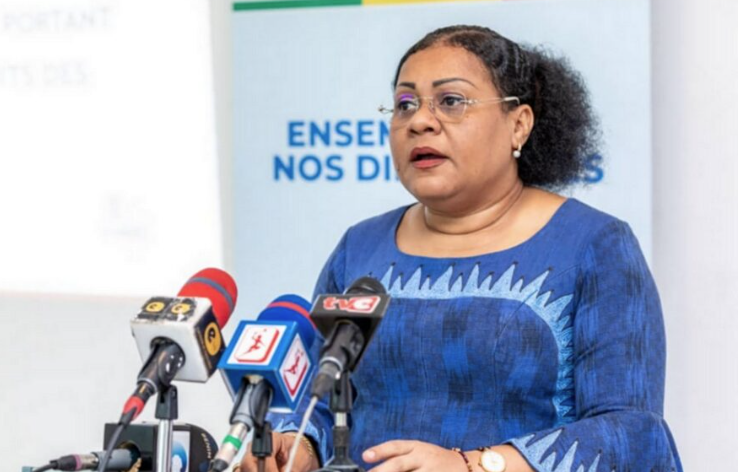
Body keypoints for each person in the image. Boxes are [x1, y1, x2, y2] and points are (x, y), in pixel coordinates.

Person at [237, 25, 682, 472]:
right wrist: (297, 446)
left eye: (451, 101)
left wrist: (475, 465)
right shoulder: (360, 247)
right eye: (405, 104)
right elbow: (321, 396)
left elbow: (630, 433)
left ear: (518, 125)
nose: (419, 121)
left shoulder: (593, 245)